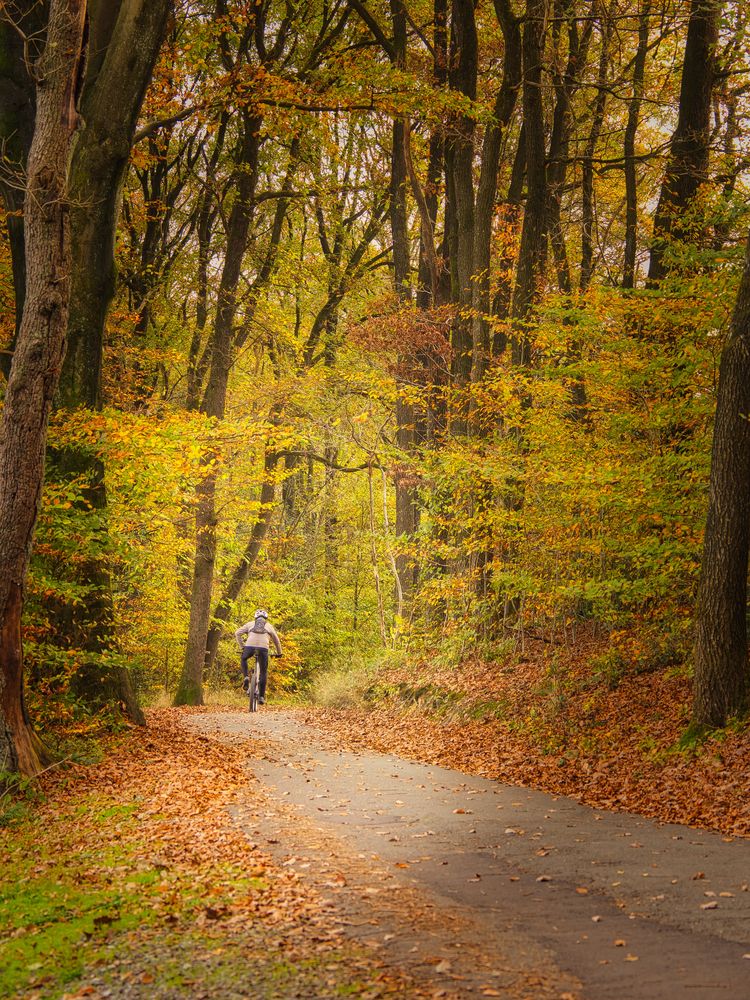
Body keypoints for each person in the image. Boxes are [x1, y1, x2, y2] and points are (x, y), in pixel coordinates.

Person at [235, 609, 282, 704]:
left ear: (255, 617)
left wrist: (242, 647)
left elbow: (237, 633)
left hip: (249, 647)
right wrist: (279, 653)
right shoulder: (269, 626)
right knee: (263, 672)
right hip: (263, 649)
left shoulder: (250, 624)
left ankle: (246, 677)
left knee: (244, 658)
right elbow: (276, 640)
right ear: (266, 618)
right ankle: (261, 697)